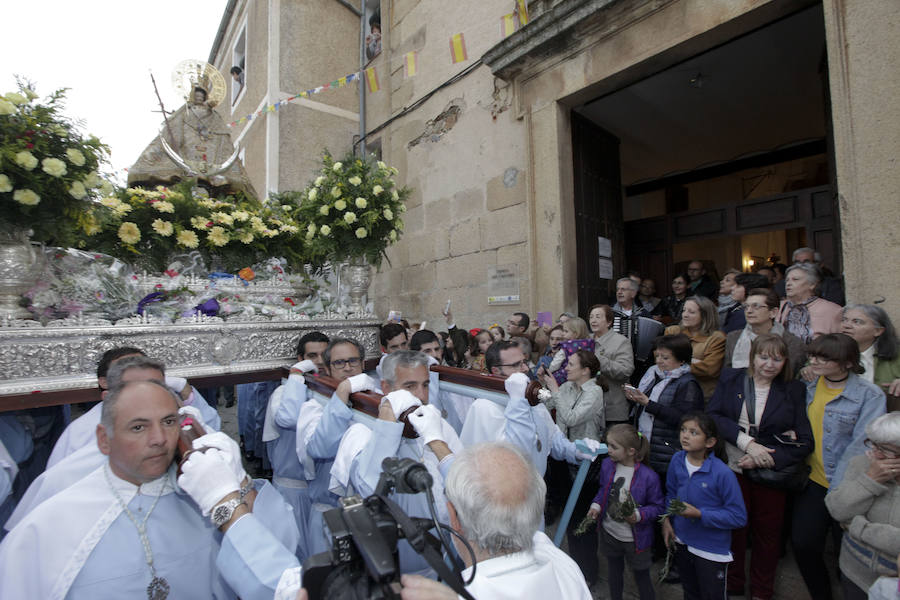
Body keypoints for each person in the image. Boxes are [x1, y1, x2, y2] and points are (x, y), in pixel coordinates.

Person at [0, 380, 296, 599]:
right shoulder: (51, 524)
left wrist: (239, 484)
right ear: (104, 439)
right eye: (139, 427)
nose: (159, 438)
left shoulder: (200, 495)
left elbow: (279, 569)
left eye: (169, 422)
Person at [205, 442, 593, 600]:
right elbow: (510, 497)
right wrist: (440, 448)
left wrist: (228, 509)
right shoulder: (562, 564)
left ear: (451, 515)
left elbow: (291, 588)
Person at [707, 334, 813, 600]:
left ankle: (762, 591)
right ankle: (733, 584)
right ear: (752, 356)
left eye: (777, 359)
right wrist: (747, 443)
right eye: (763, 357)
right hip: (734, 465)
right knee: (735, 530)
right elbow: (714, 416)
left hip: (770, 471)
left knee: (768, 534)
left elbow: (805, 439)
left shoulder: (793, 389)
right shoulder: (732, 378)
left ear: (785, 362)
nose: (769, 364)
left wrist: (768, 457)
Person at [792, 333, 886, 600]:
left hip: (847, 486)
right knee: (804, 543)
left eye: (824, 358)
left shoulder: (869, 395)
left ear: (846, 363)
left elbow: (861, 444)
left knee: (849, 555)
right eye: (814, 356)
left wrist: (838, 491)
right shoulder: (808, 384)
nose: (815, 361)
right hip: (812, 481)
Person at [459, 341, 601, 477]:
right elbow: (516, 454)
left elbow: (553, 440)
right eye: (516, 365)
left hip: (535, 489)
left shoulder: (531, 399)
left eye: (524, 362)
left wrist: (576, 451)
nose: (525, 369)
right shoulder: (484, 407)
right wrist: (517, 402)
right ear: (496, 371)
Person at [661, 412, 748, 600]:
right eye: (683, 430)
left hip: (710, 550)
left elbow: (738, 516)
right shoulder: (677, 460)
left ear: (709, 442)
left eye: (693, 432)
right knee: (690, 593)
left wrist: (700, 514)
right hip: (683, 541)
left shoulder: (722, 474)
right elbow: (671, 493)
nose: (685, 435)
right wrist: (667, 520)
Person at [262, 331, 328, 562]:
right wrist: (297, 375)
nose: (319, 361)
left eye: (323, 355)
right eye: (312, 356)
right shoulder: (283, 392)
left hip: (318, 496)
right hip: (292, 491)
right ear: (301, 358)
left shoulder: (327, 391)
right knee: (293, 555)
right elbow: (288, 418)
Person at [825, 413, 900, 600]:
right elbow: (837, 510)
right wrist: (870, 480)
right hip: (854, 573)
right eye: (873, 444)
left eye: (884, 449)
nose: (874, 453)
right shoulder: (860, 464)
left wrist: (857, 527)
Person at [587, 424, 664, 600]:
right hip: (610, 533)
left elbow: (658, 507)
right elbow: (603, 490)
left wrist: (638, 515)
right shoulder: (607, 465)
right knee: (614, 572)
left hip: (635, 540)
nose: (609, 450)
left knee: (641, 576)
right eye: (608, 445)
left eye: (614, 447)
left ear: (630, 451)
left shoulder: (648, 477)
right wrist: (596, 505)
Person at [625, 334, 704, 479]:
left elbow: (684, 419)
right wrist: (634, 398)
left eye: (665, 358)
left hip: (668, 450)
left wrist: (648, 404)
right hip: (648, 446)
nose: (659, 361)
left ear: (681, 360)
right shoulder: (654, 375)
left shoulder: (688, 384)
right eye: (658, 356)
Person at [724, 288, 807, 373]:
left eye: (756, 306)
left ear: (773, 312)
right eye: (746, 306)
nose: (749, 311)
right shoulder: (733, 338)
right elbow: (727, 373)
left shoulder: (792, 343)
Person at [664, 296, 726, 399]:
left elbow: (710, 370)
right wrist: (692, 361)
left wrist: (676, 360)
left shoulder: (716, 338)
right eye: (684, 310)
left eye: (691, 312)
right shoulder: (672, 332)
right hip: (670, 391)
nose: (685, 315)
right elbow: (661, 359)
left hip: (701, 395)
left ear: (705, 316)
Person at [841, 304, 900, 401]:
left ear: (877, 331)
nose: (846, 325)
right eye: (844, 320)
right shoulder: (829, 352)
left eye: (857, 322)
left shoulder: (897, 354)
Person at [589, 304, 635, 428]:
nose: (593, 320)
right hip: (588, 408)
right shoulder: (586, 341)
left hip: (612, 408)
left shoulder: (621, 341)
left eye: (598, 317)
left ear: (609, 322)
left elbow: (625, 371)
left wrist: (598, 359)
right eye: (591, 317)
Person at [777, 262, 842, 343]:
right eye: (787, 280)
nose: (788, 284)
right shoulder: (778, 307)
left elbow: (840, 345)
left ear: (812, 284)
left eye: (795, 279)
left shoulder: (832, 310)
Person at [775, 247, 845, 305]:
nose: (801, 265)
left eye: (806, 262)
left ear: (818, 264)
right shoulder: (782, 285)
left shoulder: (832, 285)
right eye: (797, 262)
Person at [545, 317, 593, 384]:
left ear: (576, 334)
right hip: (585, 377)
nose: (563, 333)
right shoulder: (590, 344)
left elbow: (555, 364)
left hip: (565, 376)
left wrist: (549, 371)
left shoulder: (566, 346)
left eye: (566, 331)